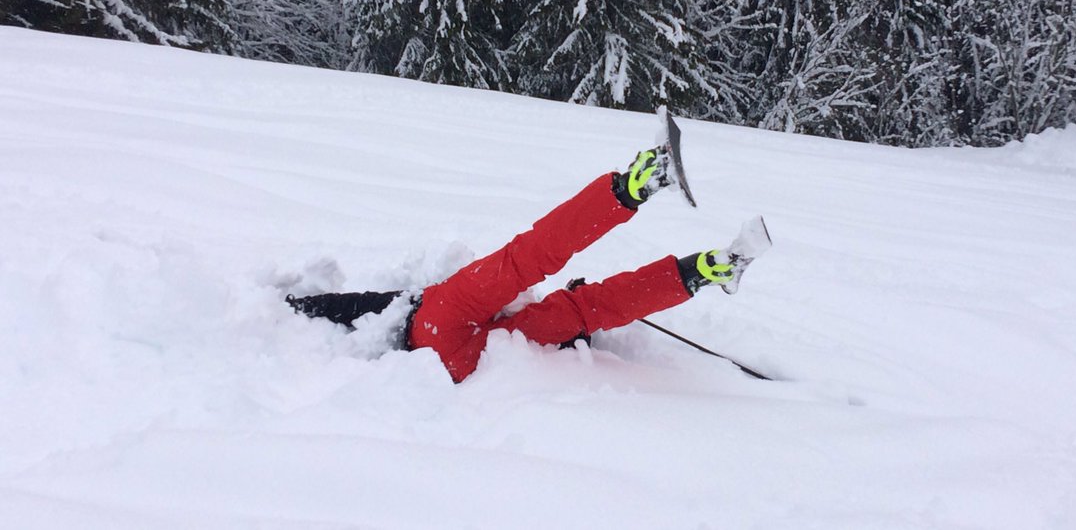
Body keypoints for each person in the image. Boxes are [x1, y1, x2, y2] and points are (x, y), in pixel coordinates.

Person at [287, 143, 771, 382]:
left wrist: (572, 333)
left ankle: (705, 270)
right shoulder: (406, 302)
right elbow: (356, 303)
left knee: (585, 310)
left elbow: (352, 309)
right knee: (529, 256)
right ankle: (634, 185)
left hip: (460, 365)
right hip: (436, 320)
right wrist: (305, 305)